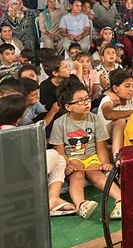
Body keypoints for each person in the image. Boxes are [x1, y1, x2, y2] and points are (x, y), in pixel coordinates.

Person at [49, 79, 122, 220]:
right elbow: (59, 151)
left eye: (86, 99)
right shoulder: (60, 123)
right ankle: (81, 204)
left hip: (91, 156)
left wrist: (104, 163)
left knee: (96, 175)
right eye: (80, 101)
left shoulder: (94, 119)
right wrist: (68, 165)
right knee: (77, 176)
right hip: (72, 158)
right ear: (68, 106)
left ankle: (120, 199)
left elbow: (100, 146)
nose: (86, 103)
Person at [98, 69, 133, 157]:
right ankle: (118, 159)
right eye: (127, 86)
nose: (131, 89)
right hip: (107, 135)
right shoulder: (108, 99)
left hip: (128, 134)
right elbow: (108, 114)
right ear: (115, 88)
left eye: (132, 86)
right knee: (120, 122)